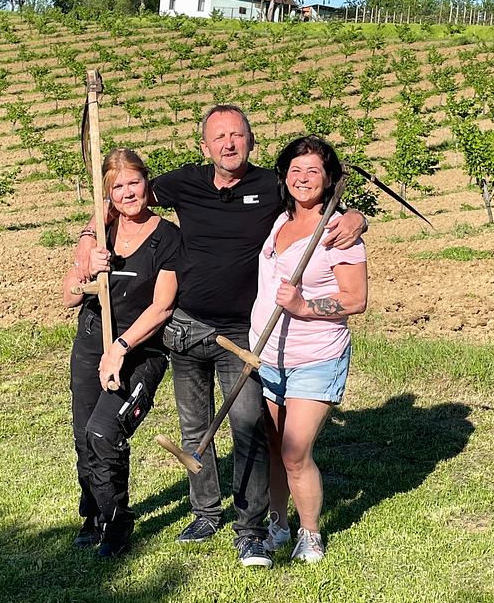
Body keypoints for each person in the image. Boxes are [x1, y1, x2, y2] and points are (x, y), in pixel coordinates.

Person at [75, 105, 367, 568]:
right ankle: (205, 511)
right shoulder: (182, 183)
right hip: (186, 327)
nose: (229, 144)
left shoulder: (270, 186)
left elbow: (313, 198)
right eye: (219, 138)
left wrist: (354, 217)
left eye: (237, 136)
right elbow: (122, 197)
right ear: (204, 146)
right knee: (195, 426)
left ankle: (250, 529)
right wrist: (92, 234)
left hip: (241, 333)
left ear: (251, 141)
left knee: (247, 427)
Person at [250, 135, 367, 564]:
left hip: (316, 356)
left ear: (329, 178)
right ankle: (278, 525)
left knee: (295, 452)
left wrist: (303, 306)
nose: (303, 179)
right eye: (295, 170)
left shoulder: (338, 233)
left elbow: (355, 299)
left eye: (313, 171)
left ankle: (310, 533)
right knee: (274, 444)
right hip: (267, 355)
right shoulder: (278, 221)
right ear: (284, 176)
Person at [62, 148, 180, 558]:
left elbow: (162, 306)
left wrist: (121, 347)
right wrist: (85, 269)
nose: (128, 192)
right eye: (118, 186)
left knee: (104, 433)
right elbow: (67, 298)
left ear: (147, 183)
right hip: (91, 341)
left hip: (139, 351)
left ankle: (117, 522)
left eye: (134, 182)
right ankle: (92, 514)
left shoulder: (167, 236)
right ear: (107, 193)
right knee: (83, 436)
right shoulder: (100, 234)